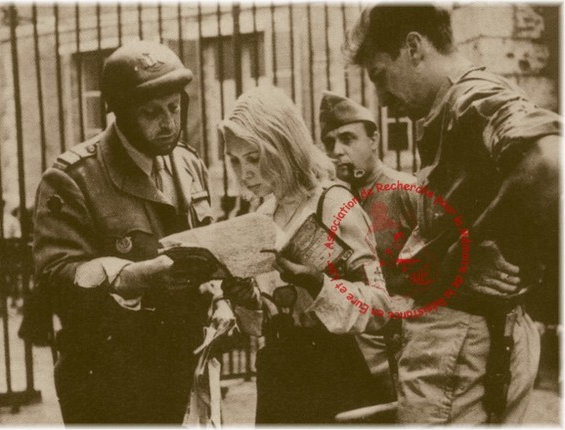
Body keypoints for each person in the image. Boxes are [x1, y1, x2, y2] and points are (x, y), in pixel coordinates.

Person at [344, 4, 560, 424]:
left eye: (379, 76)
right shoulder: (457, 106)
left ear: (413, 47)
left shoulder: (472, 99)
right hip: (470, 343)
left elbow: (552, 167)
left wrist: (466, 254)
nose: (381, 100)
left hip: (461, 346)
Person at [32, 40, 233, 424]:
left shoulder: (188, 165)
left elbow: (209, 244)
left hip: (181, 365)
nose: (169, 123)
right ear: (121, 114)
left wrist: (220, 297)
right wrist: (136, 276)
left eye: (174, 107)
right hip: (108, 378)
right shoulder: (71, 178)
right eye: (152, 113)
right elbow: (55, 276)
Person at [219, 86, 395, 424]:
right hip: (278, 378)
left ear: (283, 145)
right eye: (235, 161)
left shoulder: (333, 203)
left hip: (334, 374)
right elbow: (265, 319)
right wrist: (246, 299)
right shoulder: (263, 214)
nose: (245, 173)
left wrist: (318, 285)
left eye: (254, 158)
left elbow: (380, 308)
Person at [320, 91, 417, 296]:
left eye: (347, 138)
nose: (337, 151)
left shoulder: (407, 191)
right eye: (330, 144)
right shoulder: (333, 203)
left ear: (373, 139)